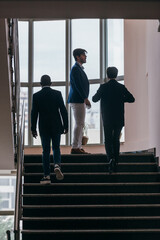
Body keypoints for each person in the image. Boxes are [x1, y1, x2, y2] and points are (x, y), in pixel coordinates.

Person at [92, 67, 135, 173]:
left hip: (107, 117)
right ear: (116, 75)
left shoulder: (103, 87)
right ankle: (116, 160)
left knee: (108, 138)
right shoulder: (121, 87)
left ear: (107, 75)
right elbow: (132, 99)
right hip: (119, 117)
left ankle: (110, 158)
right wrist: (120, 99)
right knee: (116, 139)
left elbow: (94, 99)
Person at [31, 75, 68, 184]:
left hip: (44, 126)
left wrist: (33, 129)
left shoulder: (36, 96)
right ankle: (57, 164)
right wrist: (66, 125)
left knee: (45, 151)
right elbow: (63, 110)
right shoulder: (57, 94)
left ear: (40, 84)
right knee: (56, 147)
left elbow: (34, 113)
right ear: (51, 83)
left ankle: (46, 176)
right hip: (56, 125)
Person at [68, 48, 91, 154]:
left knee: (80, 123)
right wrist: (85, 98)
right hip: (77, 99)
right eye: (83, 55)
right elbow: (78, 85)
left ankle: (78, 146)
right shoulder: (76, 69)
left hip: (79, 99)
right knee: (79, 123)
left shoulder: (79, 68)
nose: (85, 57)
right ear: (77, 57)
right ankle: (75, 147)